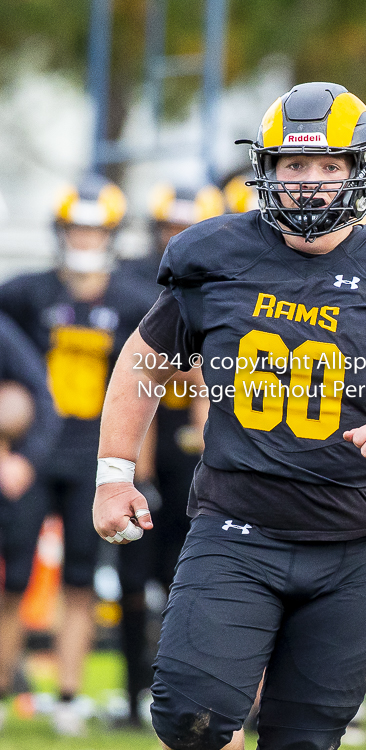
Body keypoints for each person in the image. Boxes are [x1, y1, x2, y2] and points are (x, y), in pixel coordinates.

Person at [93, 82, 366, 750]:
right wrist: (112, 472)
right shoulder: (213, 256)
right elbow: (144, 362)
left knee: (302, 738)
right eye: (294, 166)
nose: (309, 183)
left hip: (357, 544)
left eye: (329, 166)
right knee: (191, 715)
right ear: (267, 169)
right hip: (237, 532)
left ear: (358, 173)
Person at [0, 174, 157, 735]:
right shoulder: (23, 293)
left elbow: (153, 386)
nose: (84, 241)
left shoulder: (136, 301)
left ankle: (67, 694)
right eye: (75, 229)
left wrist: (142, 466)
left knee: (81, 578)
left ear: (112, 234)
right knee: (13, 576)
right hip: (34, 452)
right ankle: (7, 683)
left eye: (94, 231)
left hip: (98, 460)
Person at [116, 182, 217, 725]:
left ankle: (214, 698)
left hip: (206, 442)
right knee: (135, 576)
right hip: (147, 435)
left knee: (198, 575)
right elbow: (140, 368)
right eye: (169, 228)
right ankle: (134, 696)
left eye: (187, 228)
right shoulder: (137, 283)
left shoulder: (234, 280)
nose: (177, 239)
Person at [0, 312, 61, 729]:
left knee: (14, 585)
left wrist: (23, 459)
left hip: (11, 479)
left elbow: (40, 398)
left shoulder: (4, 333)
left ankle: (4, 685)